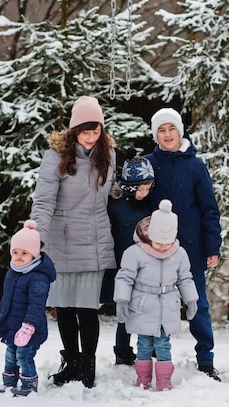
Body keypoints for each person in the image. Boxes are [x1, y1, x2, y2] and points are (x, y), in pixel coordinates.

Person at [30, 95, 116, 388]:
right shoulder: (55, 157)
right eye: (85, 131)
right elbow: (43, 201)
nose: (91, 138)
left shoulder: (109, 156)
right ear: (74, 130)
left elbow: (111, 195)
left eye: (96, 132)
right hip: (62, 241)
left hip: (95, 241)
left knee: (88, 308)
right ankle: (72, 363)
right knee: (65, 307)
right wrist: (36, 236)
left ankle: (88, 365)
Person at [145, 108, 223, 381]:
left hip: (191, 249)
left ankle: (205, 360)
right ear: (156, 135)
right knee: (152, 304)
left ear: (180, 131)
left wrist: (212, 247)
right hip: (154, 249)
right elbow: (136, 204)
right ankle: (150, 354)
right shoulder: (147, 163)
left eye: (171, 129)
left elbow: (209, 210)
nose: (167, 135)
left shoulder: (195, 166)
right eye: (161, 130)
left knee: (197, 305)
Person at [114, 200, 198, 391]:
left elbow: (185, 278)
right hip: (143, 304)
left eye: (167, 242)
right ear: (150, 235)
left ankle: (164, 380)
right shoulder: (135, 253)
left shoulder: (179, 254)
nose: (162, 247)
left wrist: (191, 300)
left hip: (167, 304)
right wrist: (122, 300)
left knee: (163, 345)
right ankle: (143, 378)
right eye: (158, 242)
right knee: (143, 344)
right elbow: (125, 277)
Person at [100, 149, 156, 365]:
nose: (145, 192)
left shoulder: (149, 204)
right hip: (120, 264)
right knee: (125, 309)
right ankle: (122, 350)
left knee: (146, 307)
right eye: (141, 188)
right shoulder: (114, 203)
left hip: (146, 264)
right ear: (130, 186)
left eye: (148, 188)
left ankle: (149, 346)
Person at [0, 219, 57, 396]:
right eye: (15, 252)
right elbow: (7, 297)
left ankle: (29, 385)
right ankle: (9, 384)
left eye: (24, 252)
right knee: (10, 355)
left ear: (34, 255)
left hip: (30, 328)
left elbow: (36, 305)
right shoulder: (12, 273)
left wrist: (28, 327)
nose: (19, 256)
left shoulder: (38, 278)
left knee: (24, 356)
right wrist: (0, 314)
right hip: (13, 325)